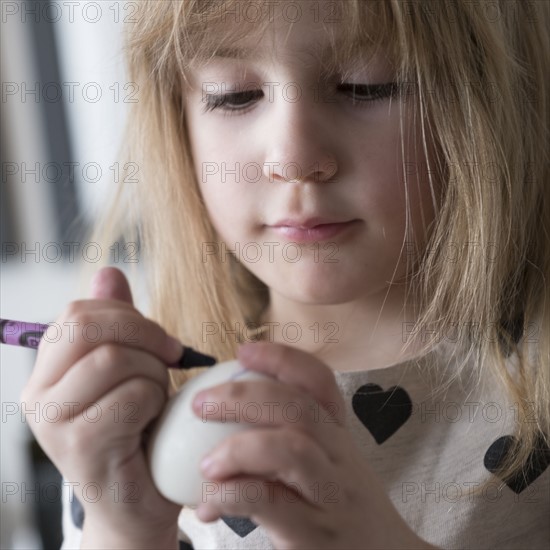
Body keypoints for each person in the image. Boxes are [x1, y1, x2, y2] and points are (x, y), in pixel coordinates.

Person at [22, 1, 549, 548]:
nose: (294, 157)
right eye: (234, 95)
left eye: (366, 85)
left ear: (490, 96)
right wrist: (121, 526)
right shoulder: (138, 409)